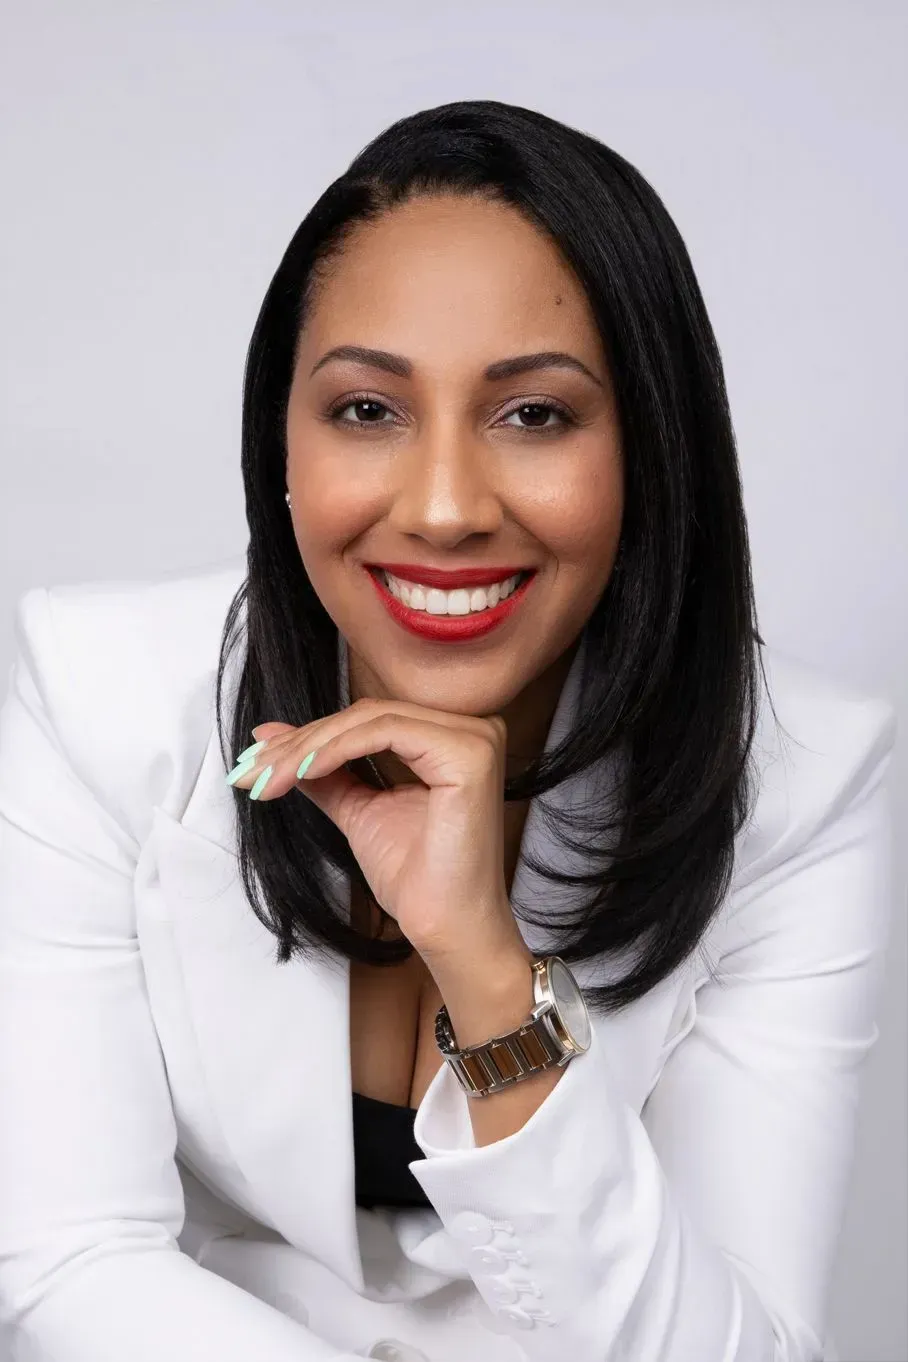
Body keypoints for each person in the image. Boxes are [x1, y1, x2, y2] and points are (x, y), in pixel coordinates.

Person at [0, 99, 896, 1362]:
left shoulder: (803, 781)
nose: (440, 508)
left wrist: (483, 966)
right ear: (282, 442)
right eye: (368, 410)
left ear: (649, 449)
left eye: (533, 415)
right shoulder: (98, 693)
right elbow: (68, 1264)